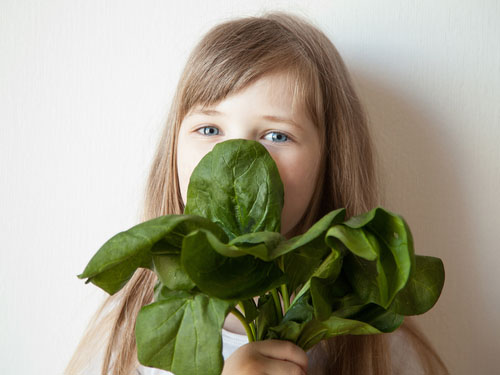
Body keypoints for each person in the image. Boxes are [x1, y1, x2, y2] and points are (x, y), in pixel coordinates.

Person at [65, 10, 448, 375]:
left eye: (276, 135)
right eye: (210, 129)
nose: (233, 156)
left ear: (330, 160)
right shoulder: (129, 330)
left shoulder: (376, 343)